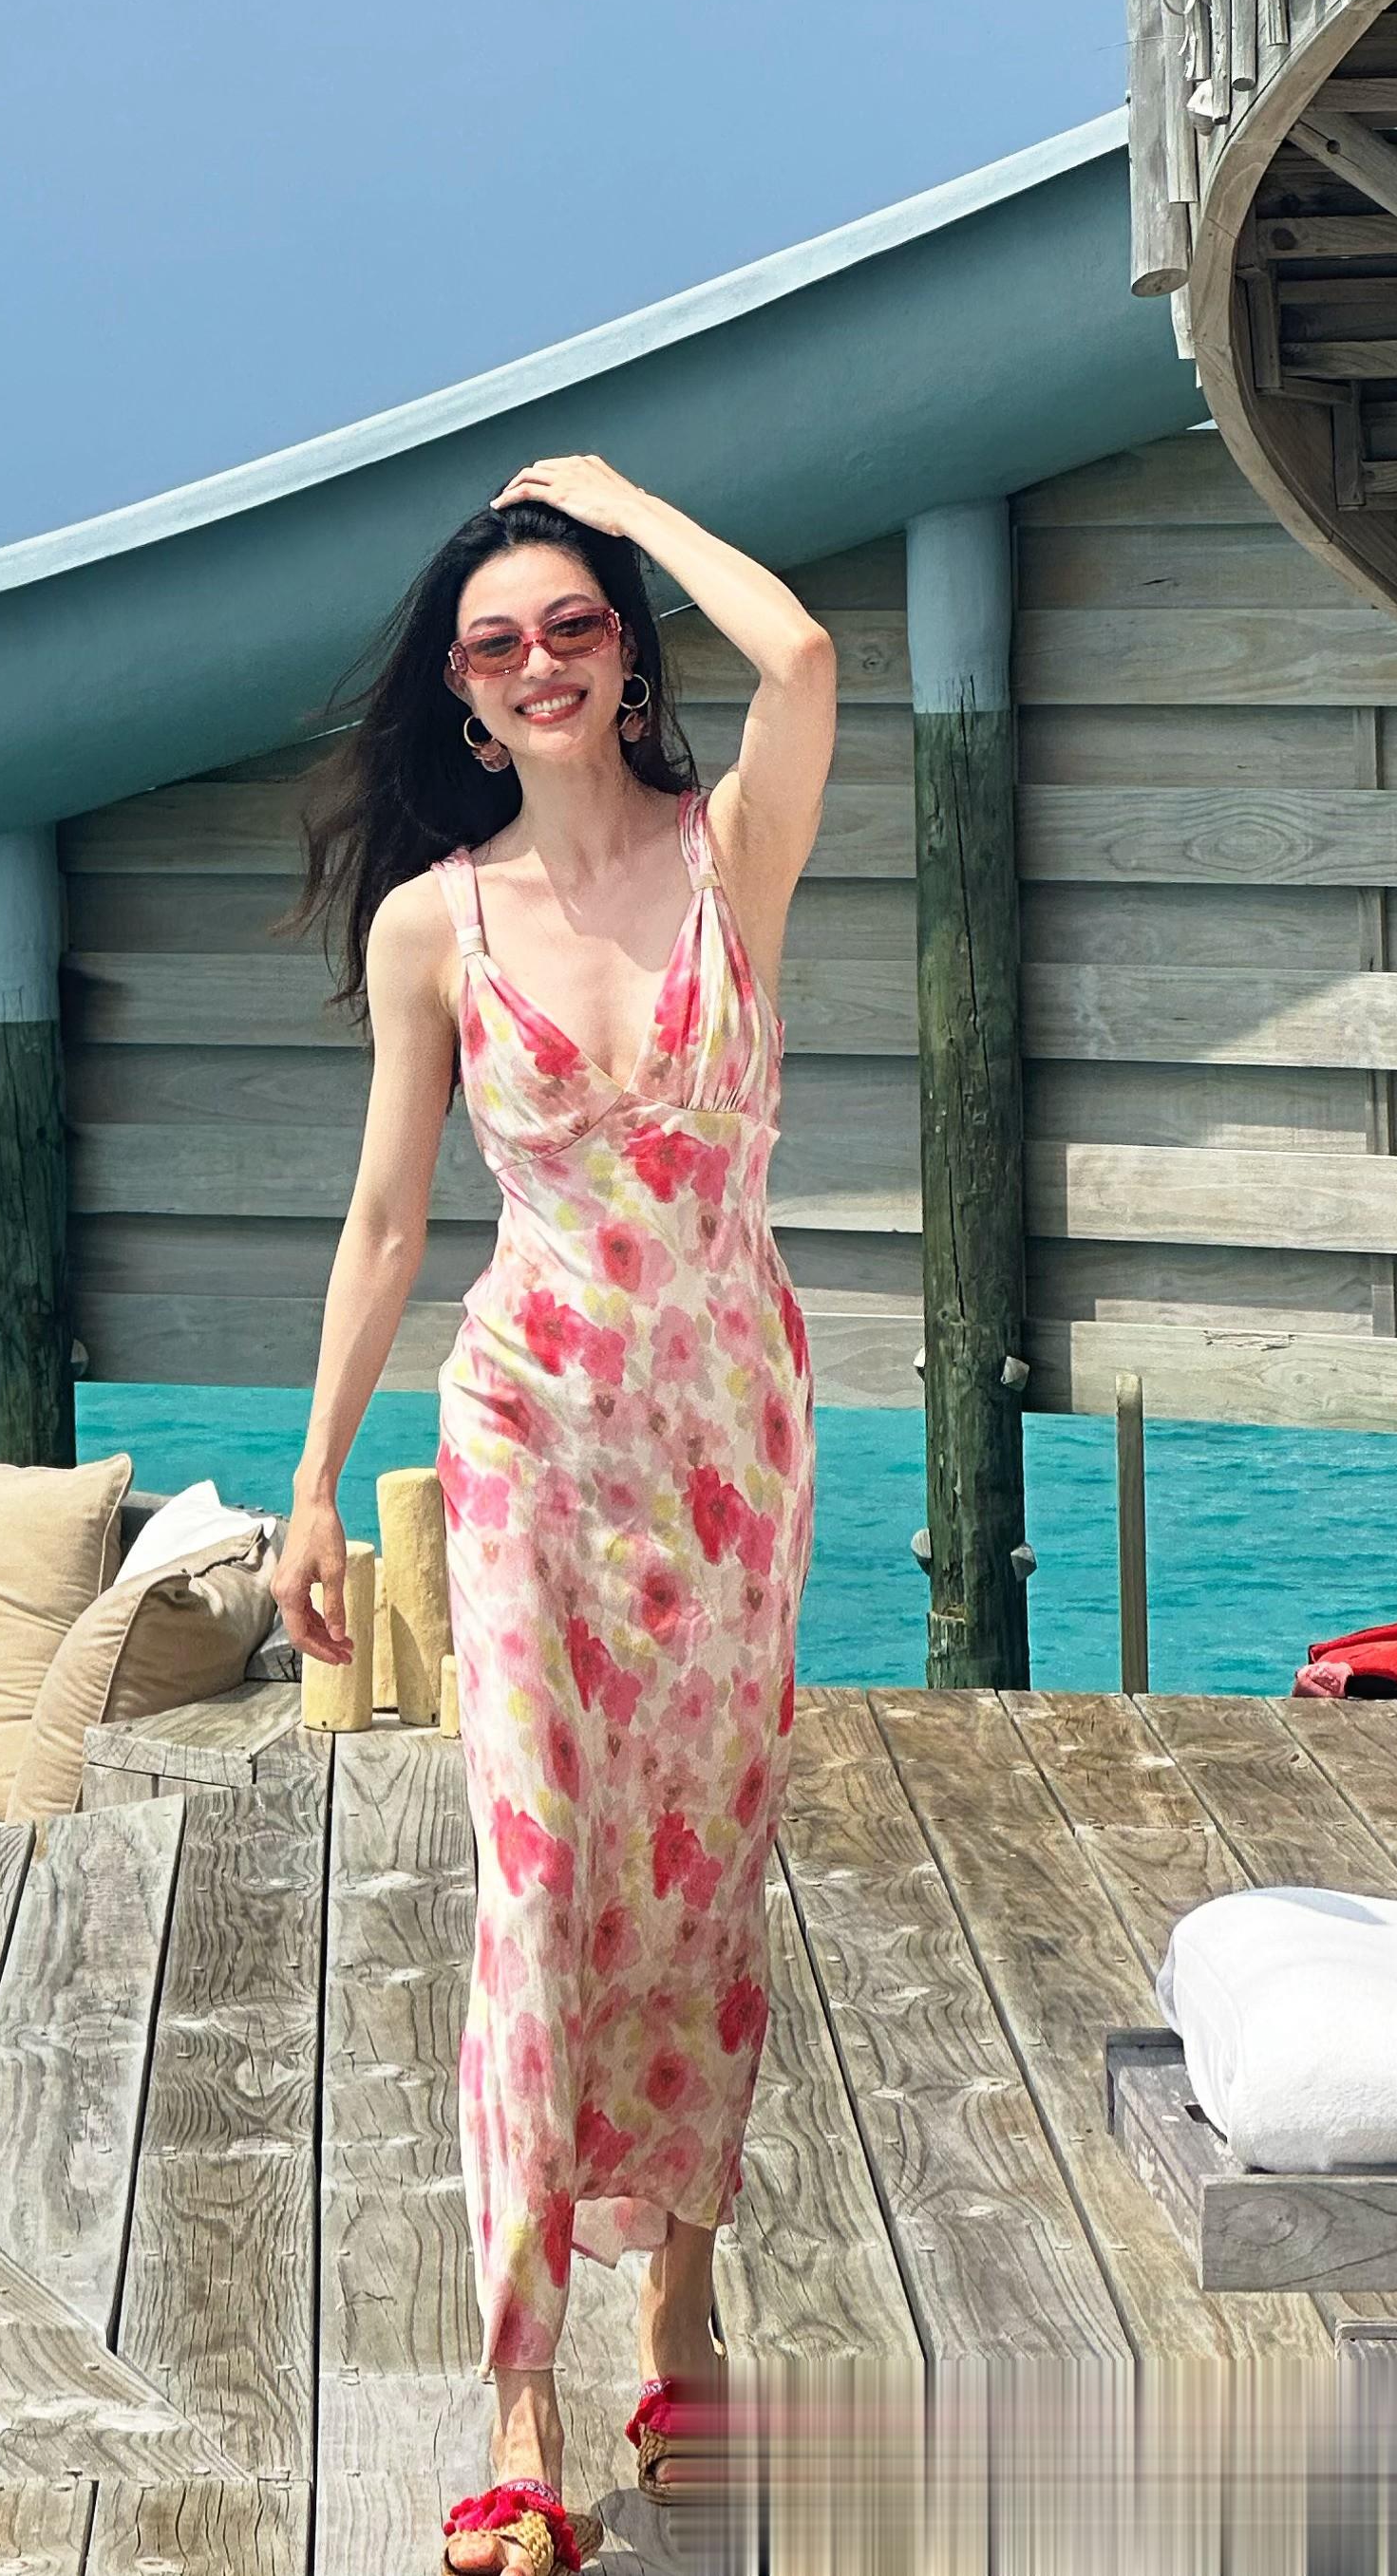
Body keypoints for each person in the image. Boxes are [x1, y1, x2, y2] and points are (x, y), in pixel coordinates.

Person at [271, 454, 836, 2572]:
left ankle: (680, 2308)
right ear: (462, 686)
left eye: (573, 624)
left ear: (623, 651)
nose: (539, 663)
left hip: (728, 1447)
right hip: (529, 1432)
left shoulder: (731, 854)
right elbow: (387, 1219)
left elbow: (803, 652)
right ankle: (518, 2395)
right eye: (498, 641)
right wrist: (313, 1487)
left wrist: (619, 500)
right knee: (534, 1881)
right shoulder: (437, 920)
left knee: (696, 1880)